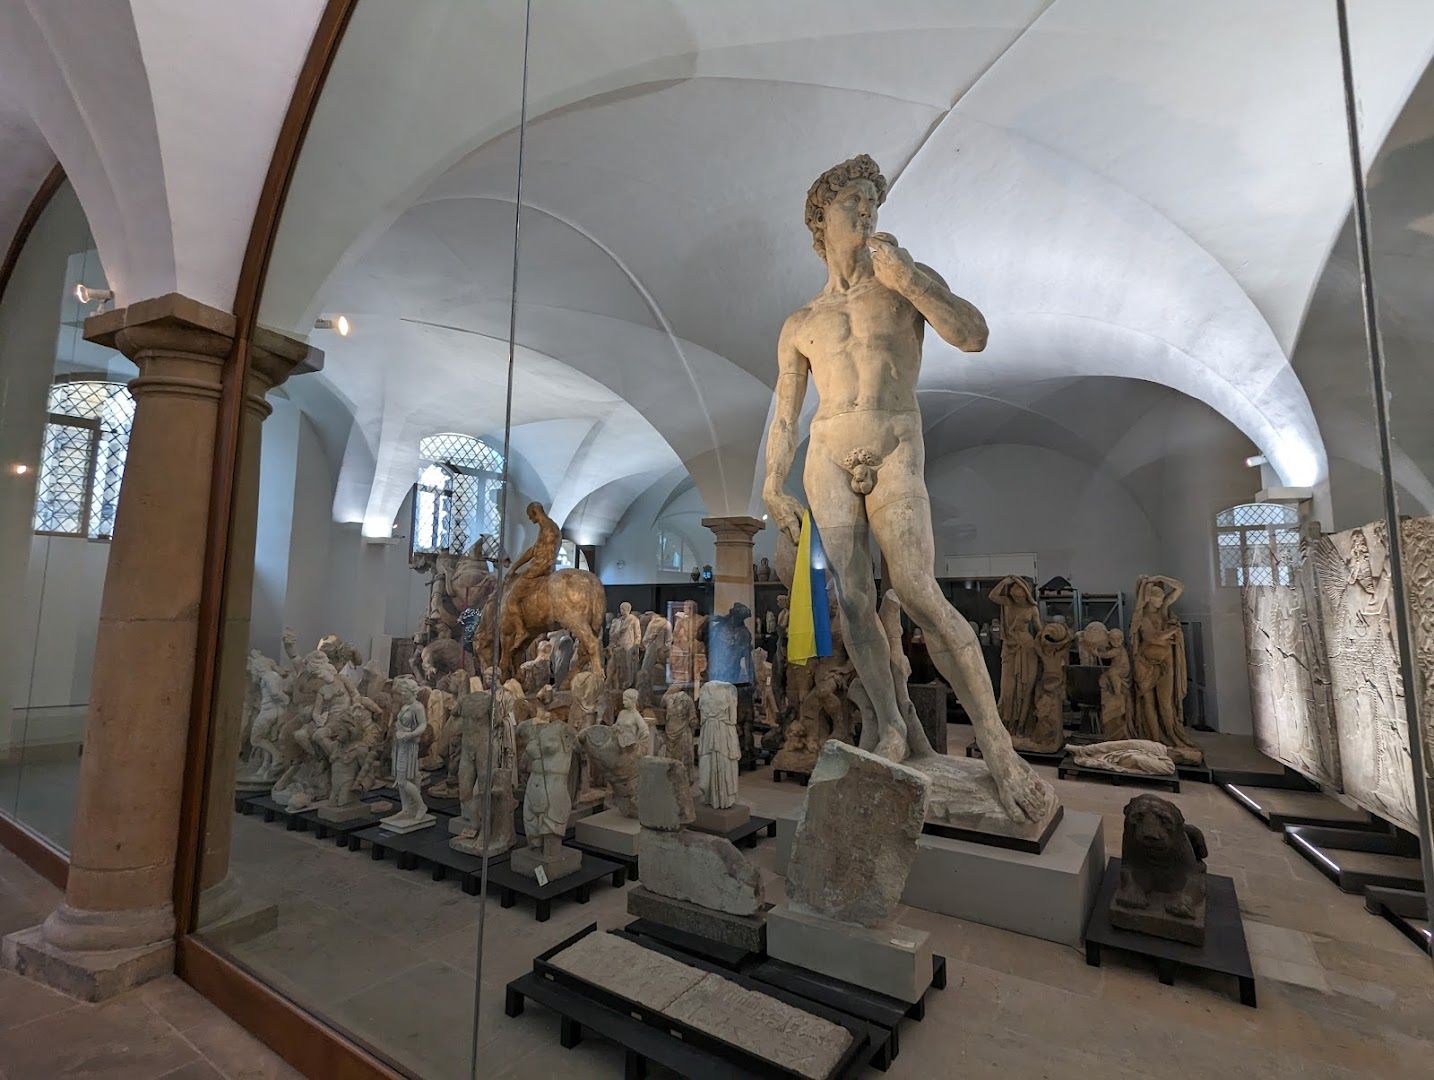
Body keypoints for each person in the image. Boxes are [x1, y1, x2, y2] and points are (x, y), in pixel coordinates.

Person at [762, 153, 1049, 822]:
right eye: (852, 202)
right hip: (827, 453)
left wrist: (910, 279)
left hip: (893, 442)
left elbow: (973, 336)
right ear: (820, 219)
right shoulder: (801, 321)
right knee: (853, 600)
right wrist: (773, 485)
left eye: (873, 202)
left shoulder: (902, 281)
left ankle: (997, 746)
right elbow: (785, 415)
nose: (866, 212)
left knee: (917, 590)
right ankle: (891, 724)